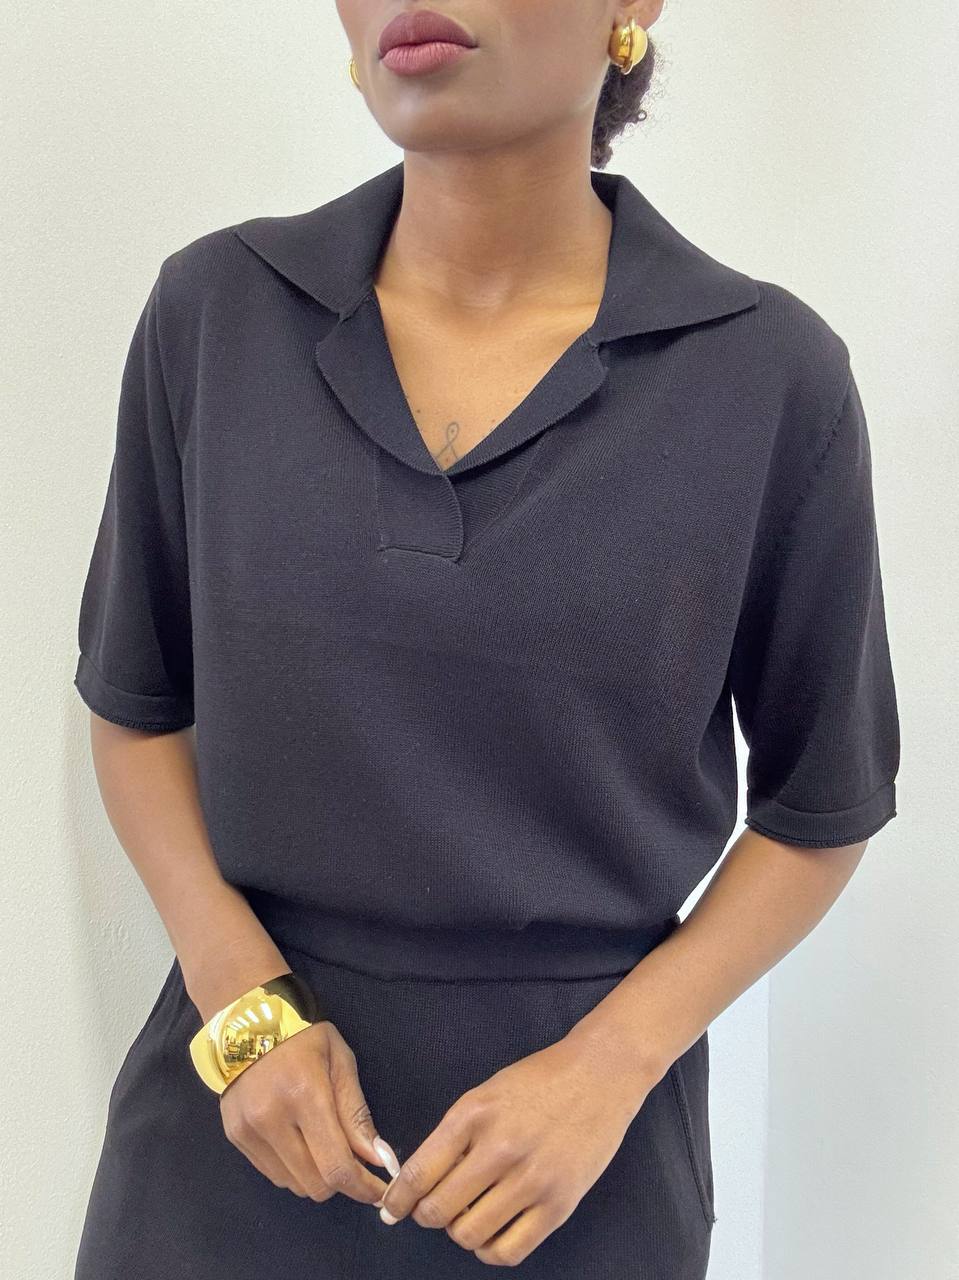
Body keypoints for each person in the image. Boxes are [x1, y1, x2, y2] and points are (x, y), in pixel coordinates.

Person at [71, 3, 900, 1278]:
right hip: (226, 1147)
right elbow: (136, 706)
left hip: (573, 1177)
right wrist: (242, 1010)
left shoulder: (767, 377)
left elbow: (818, 806)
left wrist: (611, 1064)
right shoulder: (215, 312)